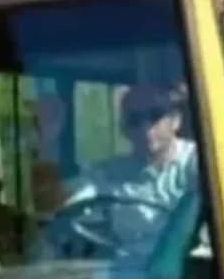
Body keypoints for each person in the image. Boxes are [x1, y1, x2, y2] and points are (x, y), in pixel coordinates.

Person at [55, 84, 199, 253]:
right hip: (127, 264)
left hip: (186, 262)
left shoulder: (199, 161)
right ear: (124, 128)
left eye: (154, 116)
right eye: (135, 120)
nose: (146, 128)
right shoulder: (108, 173)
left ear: (175, 121)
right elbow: (65, 199)